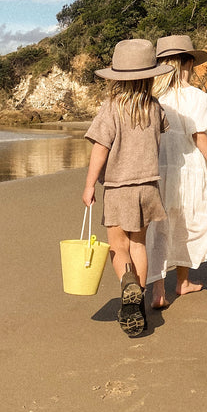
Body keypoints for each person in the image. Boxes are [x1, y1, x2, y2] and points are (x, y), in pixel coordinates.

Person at [83, 38, 173, 336]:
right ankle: (140, 300)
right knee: (138, 245)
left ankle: (127, 286)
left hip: (118, 188)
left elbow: (100, 148)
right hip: (148, 187)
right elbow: (162, 131)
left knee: (118, 246)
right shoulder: (155, 107)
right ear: (149, 76)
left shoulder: (111, 108)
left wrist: (89, 185)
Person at [146, 35, 207, 309]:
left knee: (159, 225)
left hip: (157, 166)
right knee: (188, 220)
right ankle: (182, 282)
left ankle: (158, 289)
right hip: (188, 166)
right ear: (189, 62)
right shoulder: (198, 98)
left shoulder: (152, 96)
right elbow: (198, 135)